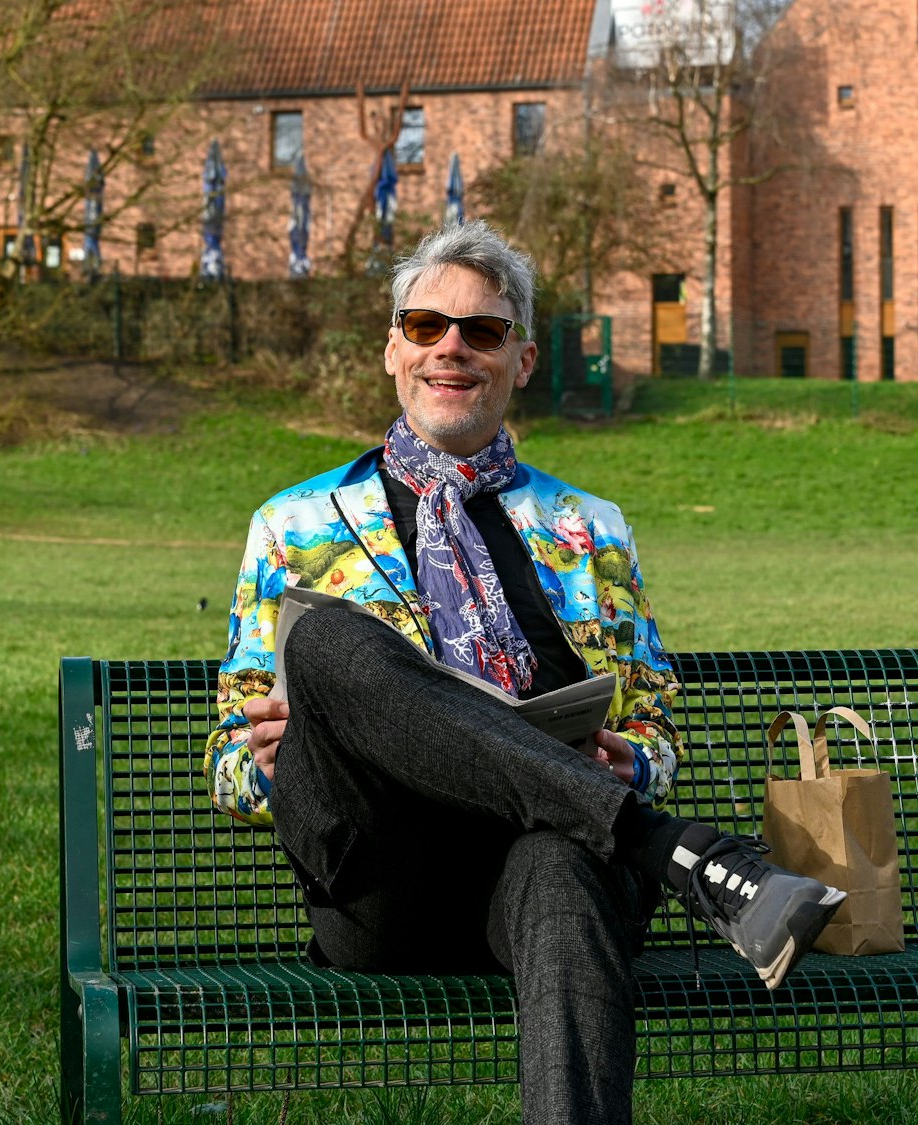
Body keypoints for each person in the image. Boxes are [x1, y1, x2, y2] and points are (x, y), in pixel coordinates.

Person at [202, 220, 845, 1125]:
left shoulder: (589, 528)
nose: (451, 348)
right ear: (393, 348)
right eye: (426, 326)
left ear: (525, 357)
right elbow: (229, 766)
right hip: (385, 878)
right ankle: (671, 849)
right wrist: (265, 758)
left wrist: (635, 761)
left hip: (546, 867)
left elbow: (658, 730)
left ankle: (625, 830)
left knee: (555, 864)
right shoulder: (295, 525)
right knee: (327, 645)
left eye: (484, 331)